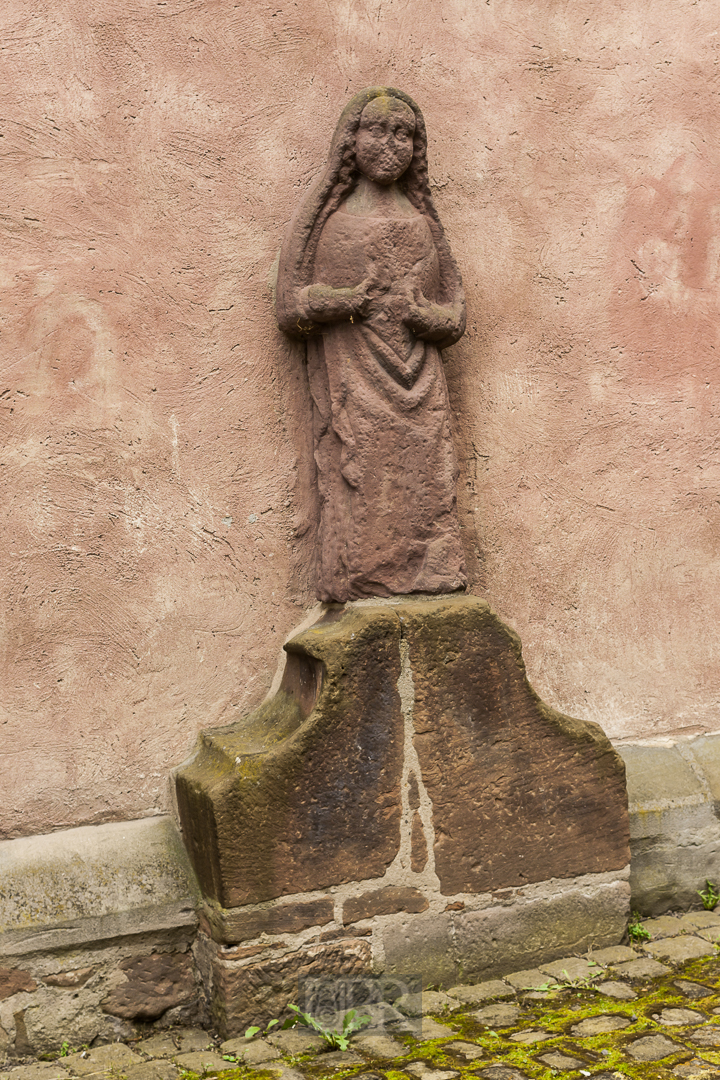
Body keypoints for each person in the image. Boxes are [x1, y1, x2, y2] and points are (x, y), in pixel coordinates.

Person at [277, 86, 467, 603]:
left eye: (404, 133)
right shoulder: (330, 222)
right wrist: (343, 301)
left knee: (429, 479)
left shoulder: (423, 221)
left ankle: (431, 568)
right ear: (351, 141)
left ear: (417, 147)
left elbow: (455, 313)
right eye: (378, 130)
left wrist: (423, 316)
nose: (391, 142)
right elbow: (291, 306)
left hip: (422, 383)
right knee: (361, 479)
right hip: (355, 382)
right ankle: (360, 574)